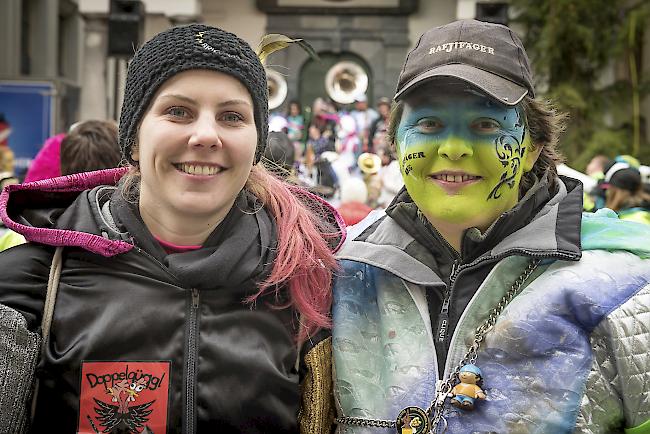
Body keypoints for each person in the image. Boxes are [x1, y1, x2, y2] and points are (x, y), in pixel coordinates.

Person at [0, 24, 345, 433]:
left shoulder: (309, 282)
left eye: (231, 116)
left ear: (256, 144)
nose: (205, 135)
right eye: (177, 111)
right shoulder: (30, 285)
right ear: (133, 138)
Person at [331, 19, 650, 434]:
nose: (454, 149)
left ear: (534, 148)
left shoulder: (625, 289)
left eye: (486, 125)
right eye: (429, 125)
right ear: (395, 141)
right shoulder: (341, 268)